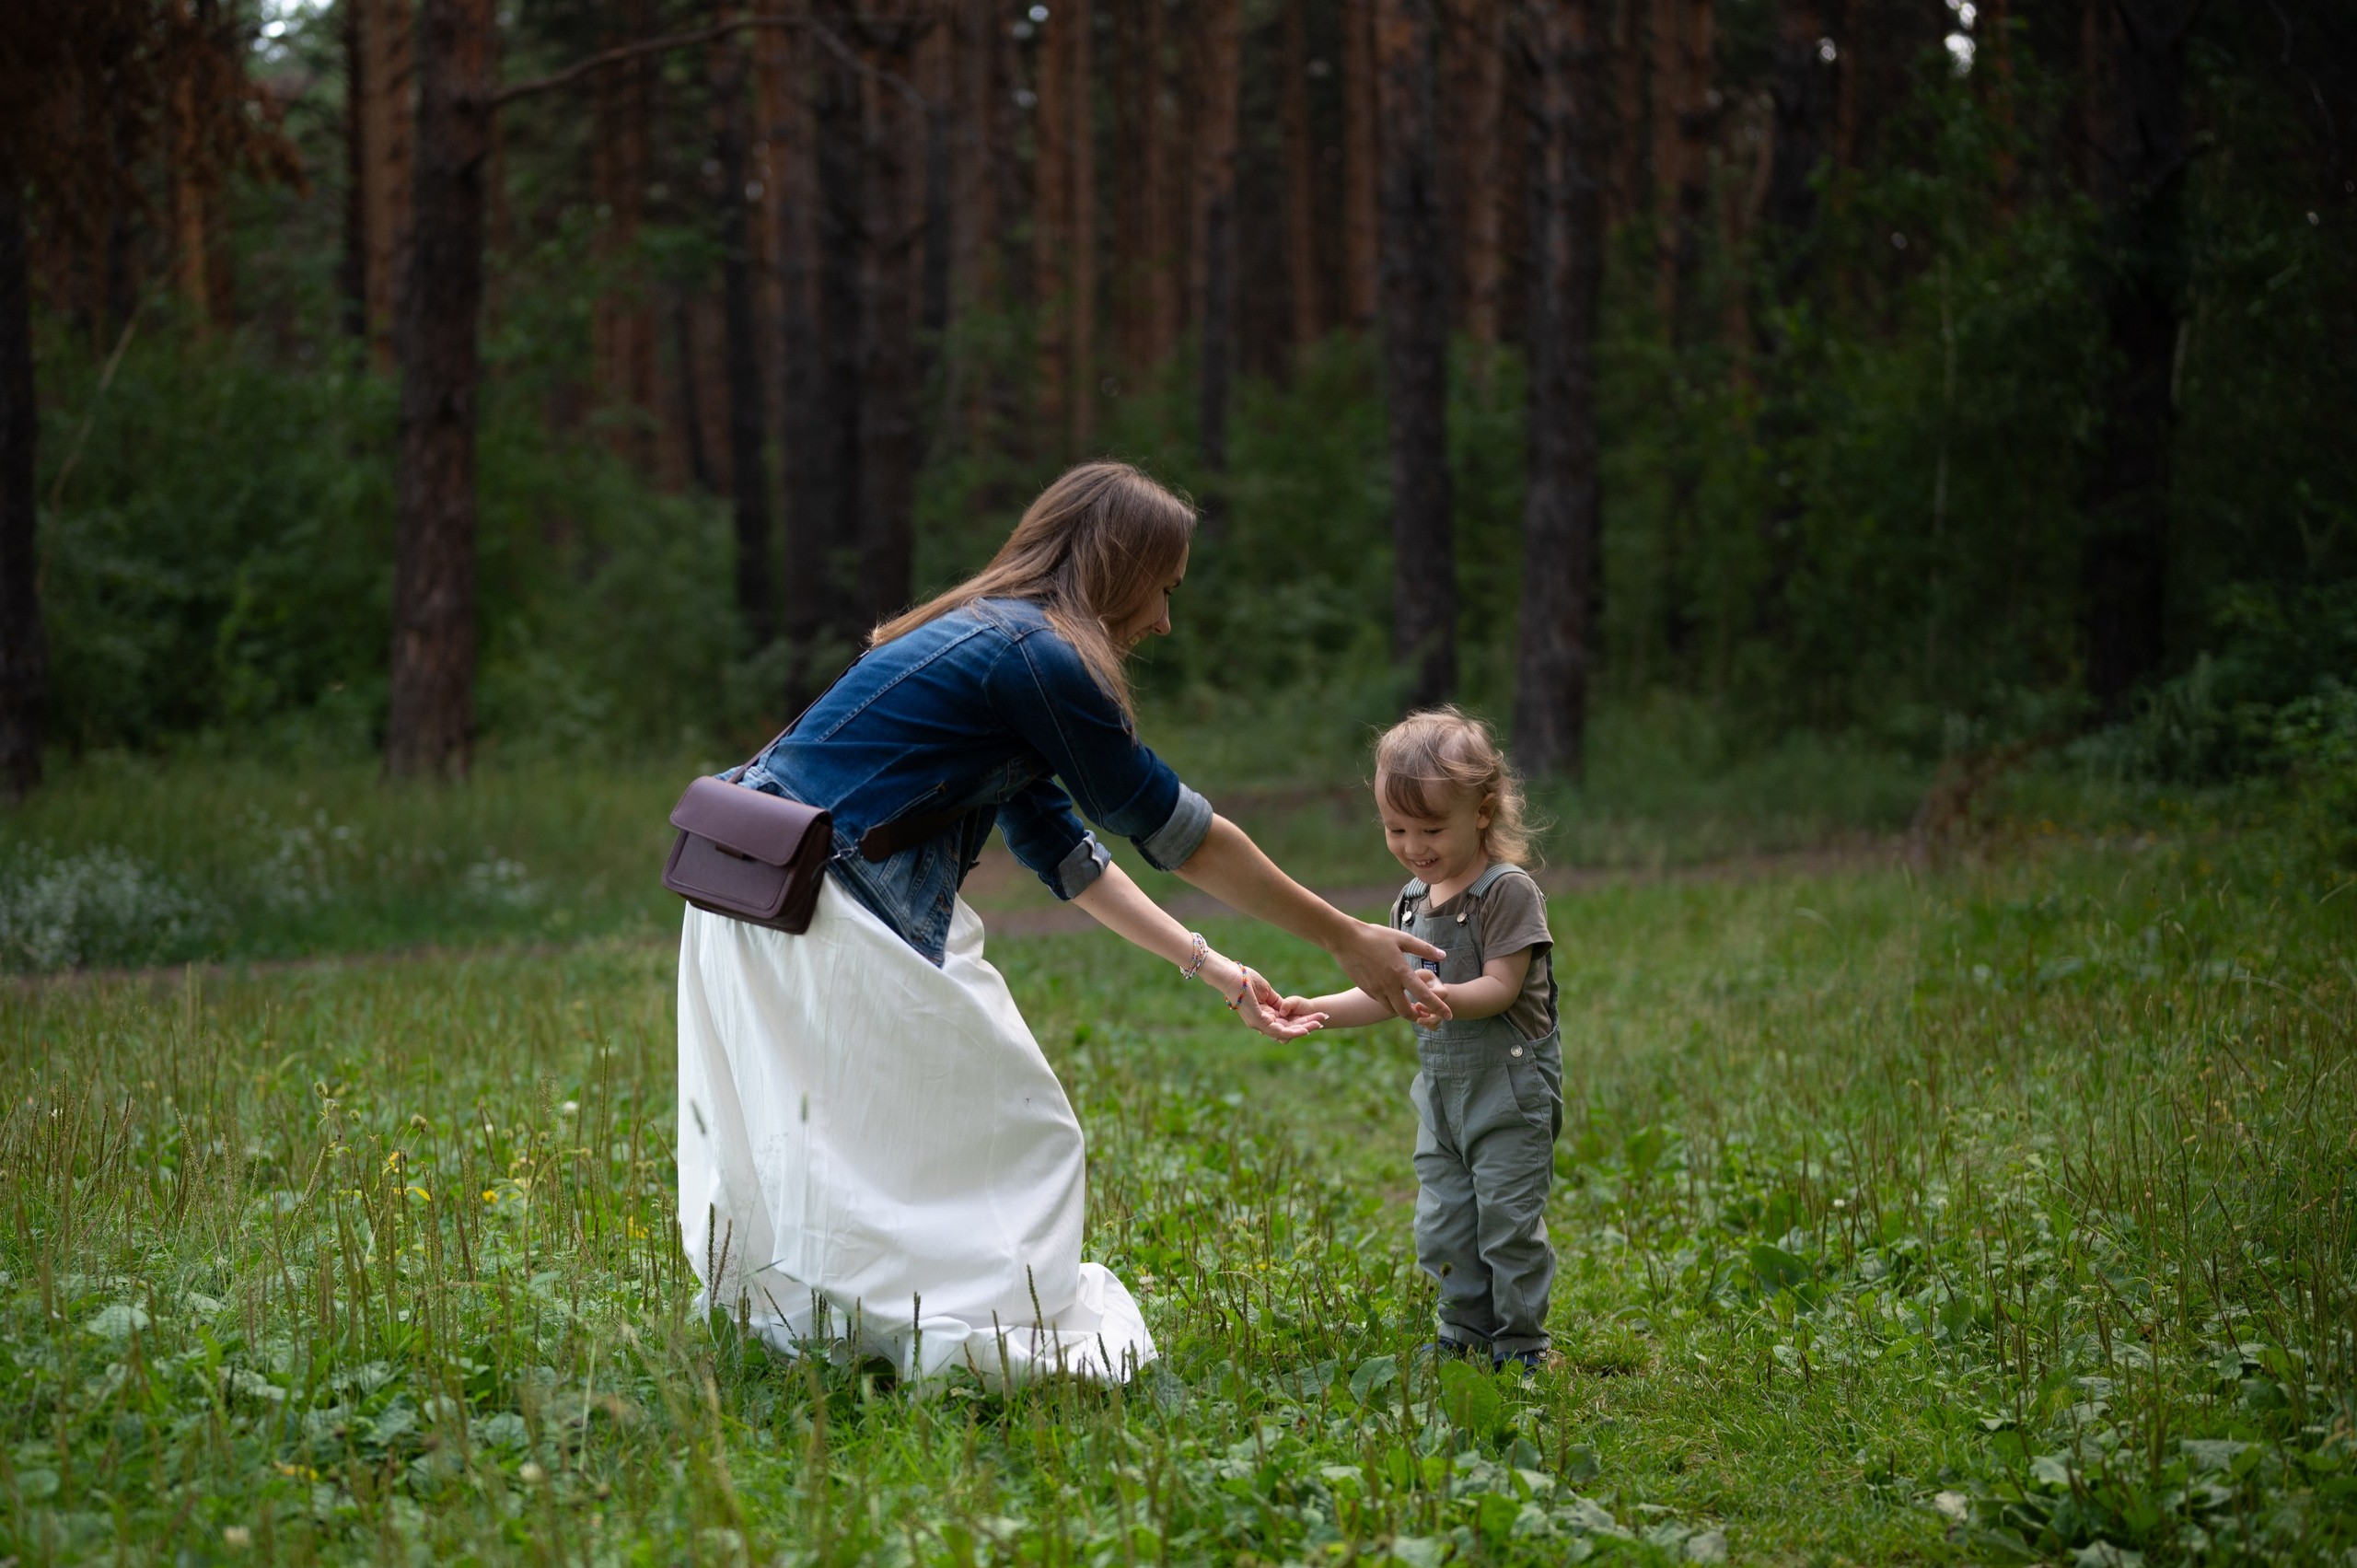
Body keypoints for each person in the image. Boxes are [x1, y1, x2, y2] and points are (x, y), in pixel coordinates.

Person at [676, 461, 1447, 1387]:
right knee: (1014, 1123)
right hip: (823, 899)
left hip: (758, 891)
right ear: (1120, 568)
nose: (1164, 619)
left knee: (857, 1131)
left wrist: (1214, 967)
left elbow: (1063, 851)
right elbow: (1179, 832)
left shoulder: (990, 644)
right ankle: (961, 1334)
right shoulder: (1037, 657)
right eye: (1163, 588)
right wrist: (1343, 936)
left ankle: (845, 1329)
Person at [1276, 708, 1562, 1371]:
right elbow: (1387, 990)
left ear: (1483, 811)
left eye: (1431, 827)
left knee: (1507, 1225)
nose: (1413, 844)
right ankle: (1462, 1332)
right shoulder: (1411, 901)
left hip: (1510, 1094)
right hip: (1441, 1099)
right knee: (1444, 1223)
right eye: (1396, 828)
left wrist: (1442, 998)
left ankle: (1521, 1344)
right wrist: (1314, 1005)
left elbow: (1502, 986)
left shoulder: (1506, 893)